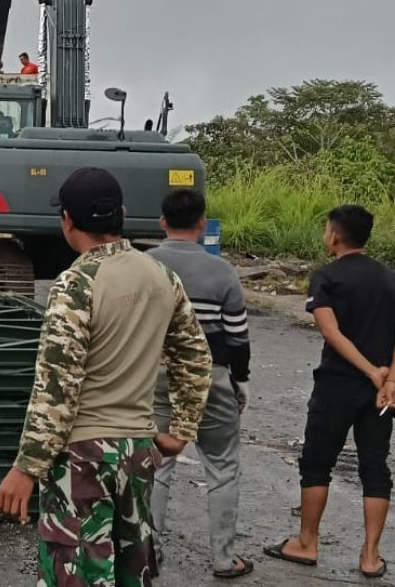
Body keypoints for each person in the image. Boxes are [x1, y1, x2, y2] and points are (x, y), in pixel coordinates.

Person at [0, 167, 212, 587]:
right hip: (137, 452)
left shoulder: (76, 284)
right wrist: (182, 428)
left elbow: (57, 388)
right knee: (134, 571)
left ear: (67, 221)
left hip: (82, 457)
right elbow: (195, 356)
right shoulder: (161, 277)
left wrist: (27, 467)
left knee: (78, 575)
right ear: (123, 214)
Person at [267, 205, 395, 578]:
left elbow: (331, 332)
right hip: (380, 395)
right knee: (375, 466)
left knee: (317, 461)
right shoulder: (389, 279)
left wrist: (373, 372)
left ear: (334, 236)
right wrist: (389, 381)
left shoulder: (326, 277)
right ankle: (371, 556)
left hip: (336, 385)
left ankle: (307, 542)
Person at [148, 189, 253, 578]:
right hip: (212, 376)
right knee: (223, 467)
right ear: (201, 223)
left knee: (155, 465)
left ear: (162, 223)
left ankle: (148, 550)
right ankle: (225, 559)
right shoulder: (222, 271)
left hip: (156, 377)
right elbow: (237, 336)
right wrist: (240, 382)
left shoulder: (146, 265)